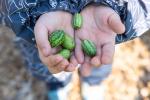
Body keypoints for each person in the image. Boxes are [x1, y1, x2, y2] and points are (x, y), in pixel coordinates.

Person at [0, 0, 150, 100]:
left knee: (96, 60)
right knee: (51, 63)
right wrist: (36, 11)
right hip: (36, 26)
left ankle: (93, 82)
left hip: (98, 27)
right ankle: (58, 86)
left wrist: (116, 6)